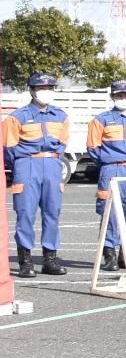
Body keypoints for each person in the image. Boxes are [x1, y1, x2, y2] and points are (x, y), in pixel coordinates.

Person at [5, 74, 70, 277]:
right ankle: (25, 261)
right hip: (27, 165)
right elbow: (8, 147)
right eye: (41, 88)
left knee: (52, 213)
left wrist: (52, 160)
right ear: (31, 90)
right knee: (25, 214)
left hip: (52, 164)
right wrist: (24, 162)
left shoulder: (61, 116)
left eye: (50, 87)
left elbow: (62, 143)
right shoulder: (17, 117)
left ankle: (50, 260)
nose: (45, 91)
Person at [87, 80, 126, 273]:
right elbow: (93, 147)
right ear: (113, 97)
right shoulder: (101, 120)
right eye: (119, 95)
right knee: (109, 213)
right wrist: (108, 162)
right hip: (111, 170)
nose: (122, 98)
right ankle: (109, 256)